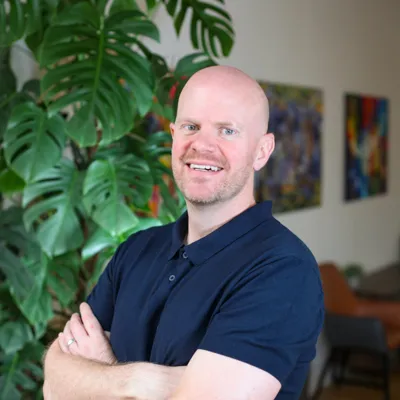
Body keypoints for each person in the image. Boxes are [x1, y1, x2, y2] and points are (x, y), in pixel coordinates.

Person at [43, 65, 324, 400]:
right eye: (191, 126)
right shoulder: (136, 249)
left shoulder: (282, 269)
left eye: (227, 130)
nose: (202, 144)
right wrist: (141, 382)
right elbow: (54, 383)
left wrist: (105, 368)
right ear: (174, 135)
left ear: (262, 151)